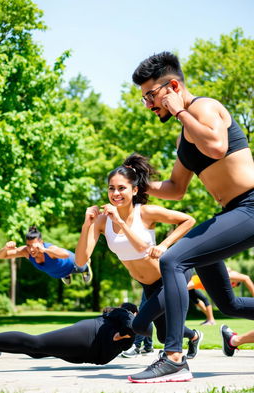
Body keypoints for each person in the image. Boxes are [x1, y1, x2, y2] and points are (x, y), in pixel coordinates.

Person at [128, 51, 254, 383]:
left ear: (172, 86)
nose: (149, 105)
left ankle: (173, 358)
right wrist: (138, 185)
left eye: (151, 96)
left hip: (251, 206)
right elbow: (175, 188)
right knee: (228, 303)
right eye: (145, 99)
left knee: (173, 260)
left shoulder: (203, 108)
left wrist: (180, 110)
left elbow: (216, 146)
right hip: (235, 211)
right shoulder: (185, 135)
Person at [75, 152, 203, 364]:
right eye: (111, 188)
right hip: (148, 285)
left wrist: (163, 245)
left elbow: (188, 220)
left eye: (121, 188)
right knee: (162, 336)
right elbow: (80, 261)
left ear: (134, 190)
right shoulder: (101, 221)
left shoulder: (145, 212)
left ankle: (173, 358)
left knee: (140, 325)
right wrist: (86, 224)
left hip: (168, 277)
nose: (115, 193)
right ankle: (194, 336)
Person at [0, 303, 140, 365]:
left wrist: (123, 335)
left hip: (87, 352)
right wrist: (122, 333)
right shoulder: (127, 315)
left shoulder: (129, 331)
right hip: (88, 336)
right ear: (135, 313)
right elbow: (128, 323)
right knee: (36, 344)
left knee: (37, 352)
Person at [0, 226, 93, 285]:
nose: (31, 249)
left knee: (82, 266)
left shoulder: (49, 248)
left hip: (73, 264)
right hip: (58, 273)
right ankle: (66, 275)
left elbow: (65, 254)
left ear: (41, 242)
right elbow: (1, 256)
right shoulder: (25, 251)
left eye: (33, 245)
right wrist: (5, 248)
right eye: (28, 245)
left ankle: (86, 267)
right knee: (58, 272)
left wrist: (45, 250)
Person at [121, 290, 154, 357]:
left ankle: (136, 346)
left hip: (155, 282)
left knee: (144, 313)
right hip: (151, 283)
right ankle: (148, 347)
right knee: (147, 313)